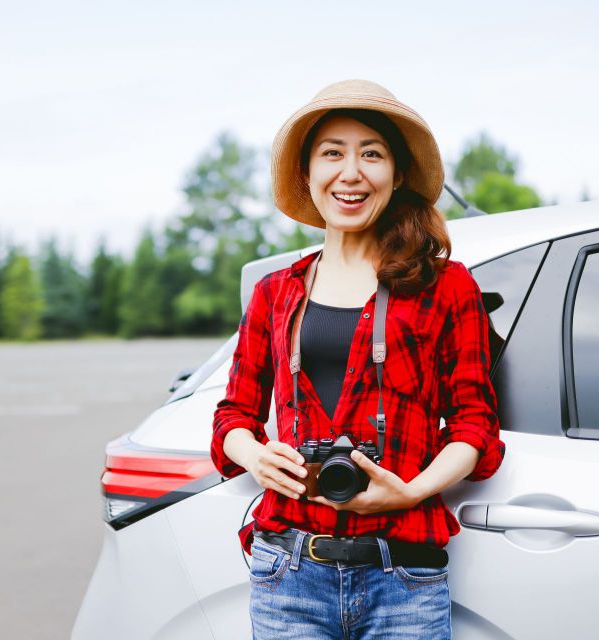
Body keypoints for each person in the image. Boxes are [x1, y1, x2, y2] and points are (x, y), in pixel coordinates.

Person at [209, 79, 506, 639]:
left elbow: (474, 422)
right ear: (307, 175)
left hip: (406, 577)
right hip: (288, 571)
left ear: (396, 176)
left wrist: (412, 491)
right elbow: (232, 415)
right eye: (332, 153)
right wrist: (254, 454)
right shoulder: (275, 292)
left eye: (372, 153)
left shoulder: (446, 286)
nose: (351, 172)